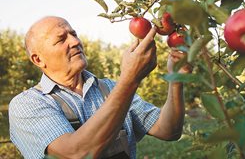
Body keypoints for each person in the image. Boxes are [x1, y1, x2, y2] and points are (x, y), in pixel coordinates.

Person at [9, 16, 192, 159]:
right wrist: (130, 79)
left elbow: (168, 130)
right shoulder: (26, 104)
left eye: (74, 34)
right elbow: (76, 154)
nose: (74, 42)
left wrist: (176, 79)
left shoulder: (111, 88)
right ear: (38, 59)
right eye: (61, 39)